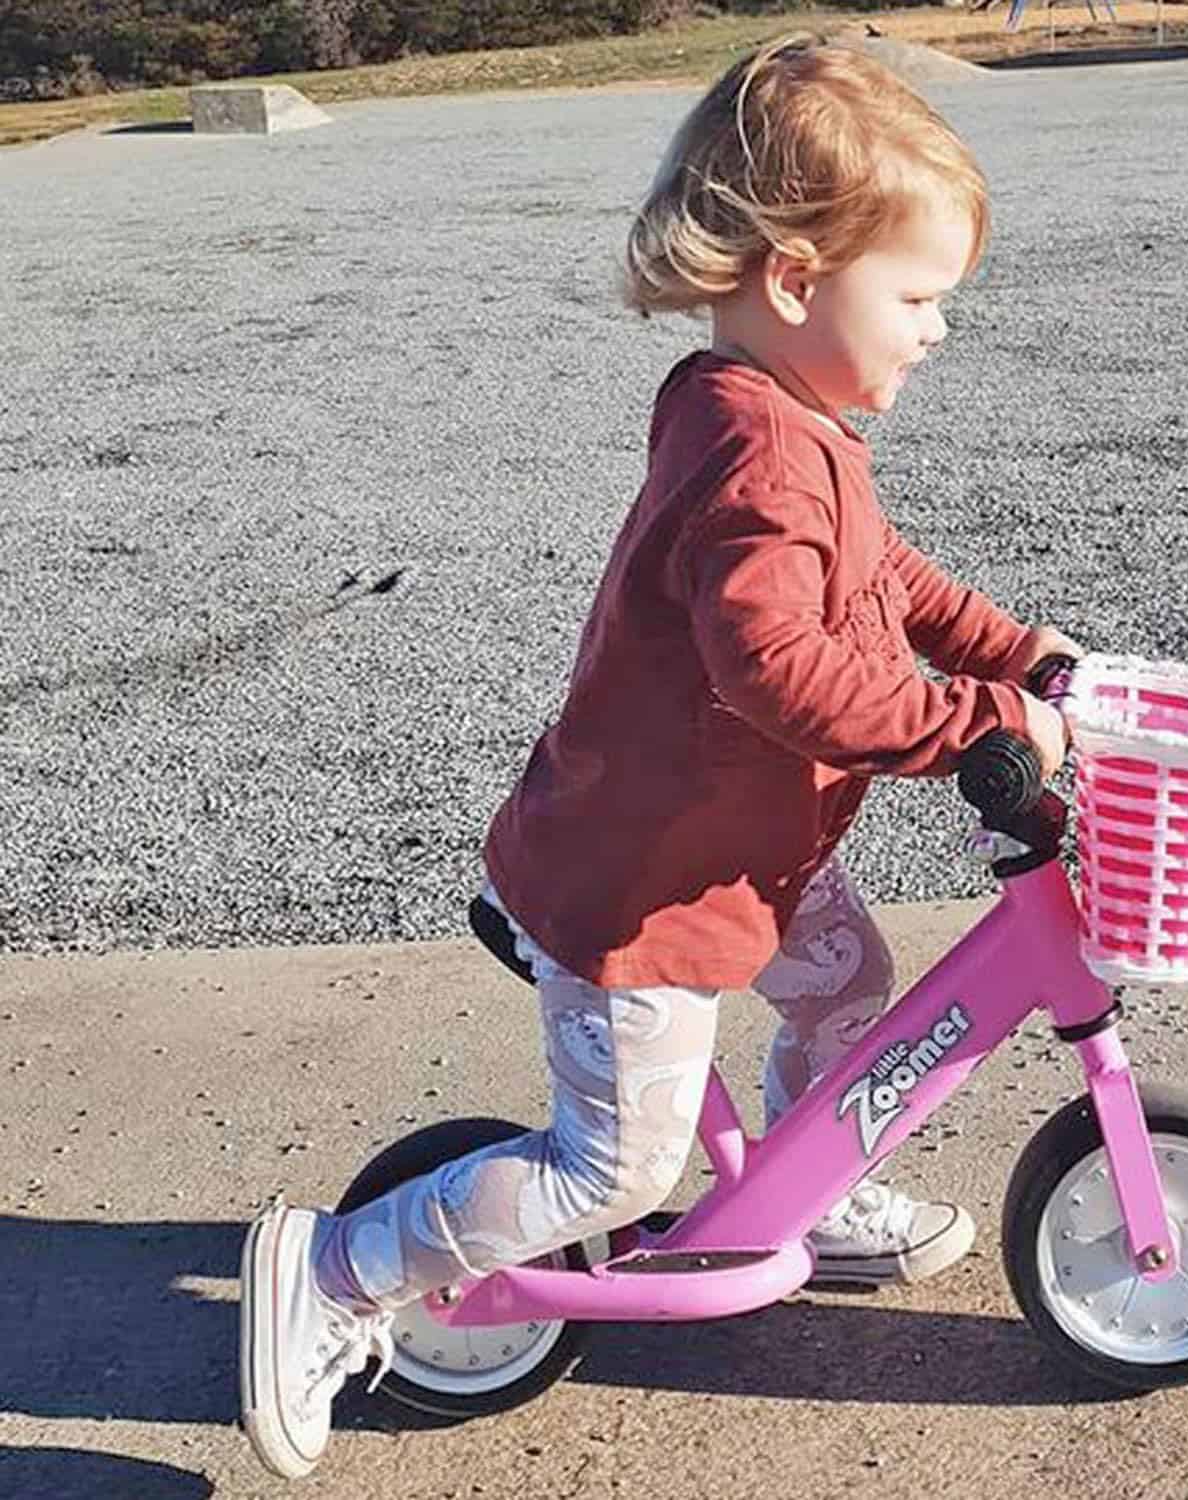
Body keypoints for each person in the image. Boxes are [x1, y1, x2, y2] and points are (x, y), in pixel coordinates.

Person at [239, 32, 1079, 1480]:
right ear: (798, 280)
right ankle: (333, 1273)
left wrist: (1017, 652)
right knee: (616, 1167)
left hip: (733, 853)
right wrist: (980, 728)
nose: (939, 327)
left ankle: (812, 1188)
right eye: (919, 295)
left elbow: (887, 577)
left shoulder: (777, 412)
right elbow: (776, 669)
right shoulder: (762, 456)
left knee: (846, 984)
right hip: (646, 887)